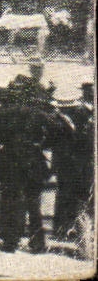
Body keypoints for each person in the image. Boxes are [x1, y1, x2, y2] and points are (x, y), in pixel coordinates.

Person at [0, 77, 59, 253]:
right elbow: (57, 131)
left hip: (9, 161)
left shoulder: (2, 113)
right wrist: (42, 144)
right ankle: (37, 244)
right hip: (33, 160)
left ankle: (10, 242)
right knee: (34, 204)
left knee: (11, 202)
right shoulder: (36, 113)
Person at [50, 81, 94, 240]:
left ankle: (64, 229)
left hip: (72, 163)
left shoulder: (62, 118)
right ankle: (68, 229)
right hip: (77, 162)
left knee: (69, 196)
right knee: (75, 196)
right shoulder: (81, 114)